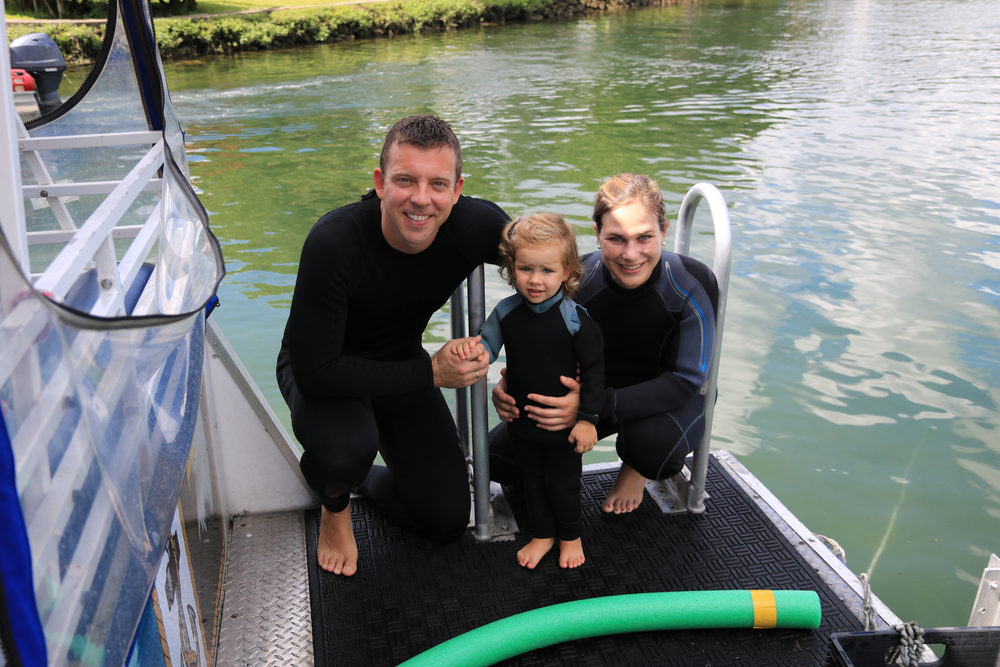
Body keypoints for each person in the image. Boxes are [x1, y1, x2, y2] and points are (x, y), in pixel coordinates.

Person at [276, 115, 508, 577]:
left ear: (457, 189)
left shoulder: (476, 226)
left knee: (443, 520)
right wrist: (432, 374)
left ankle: (365, 480)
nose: (421, 199)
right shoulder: (334, 242)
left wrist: (518, 368)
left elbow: (545, 272)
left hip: (400, 363)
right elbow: (316, 371)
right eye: (405, 180)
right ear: (381, 182)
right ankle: (335, 502)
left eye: (437, 184)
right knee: (347, 449)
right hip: (322, 372)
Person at [488, 173, 717, 516]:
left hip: (664, 398)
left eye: (644, 238)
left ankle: (634, 470)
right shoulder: (581, 281)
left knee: (653, 450)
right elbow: (537, 342)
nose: (630, 254)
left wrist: (591, 407)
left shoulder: (690, 284)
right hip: (593, 389)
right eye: (616, 239)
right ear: (596, 234)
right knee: (499, 461)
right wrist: (511, 387)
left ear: (664, 232)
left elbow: (685, 381)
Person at [453, 214, 604, 569]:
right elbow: (486, 348)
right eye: (526, 269)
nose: (535, 280)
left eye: (547, 271)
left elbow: (595, 375)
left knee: (563, 485)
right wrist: (471, 352)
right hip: (522, 424)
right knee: (532, 482)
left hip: (563, 429)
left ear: (567, 271)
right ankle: (542, 535)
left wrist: (588, 420)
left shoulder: (576, 319)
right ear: (511, 267)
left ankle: (570, 536)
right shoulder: (505, 312)